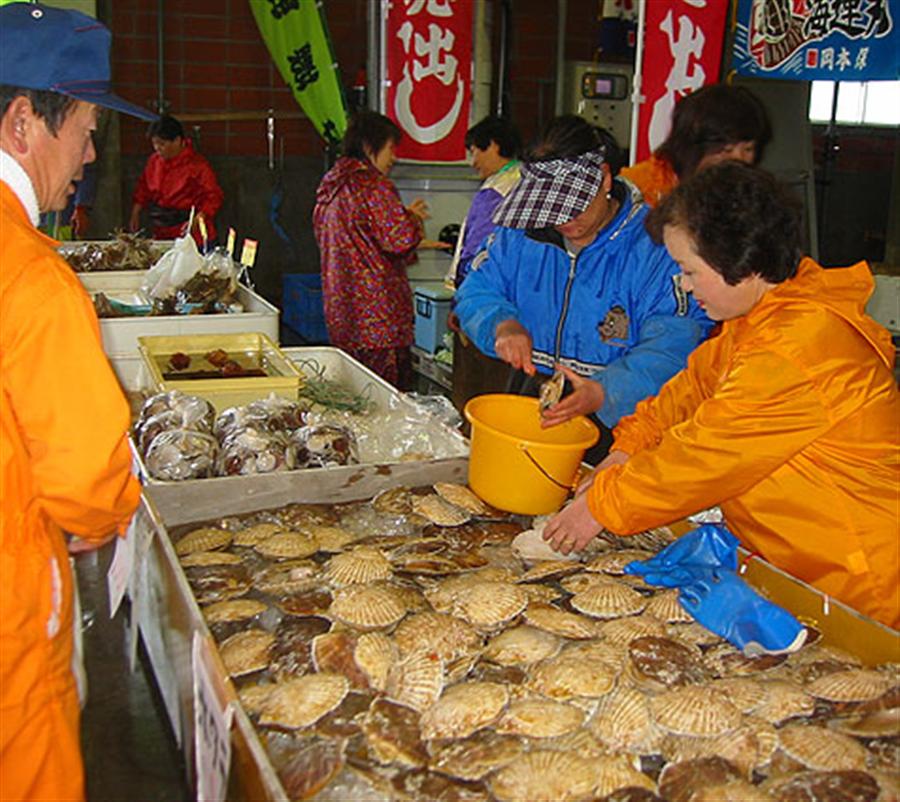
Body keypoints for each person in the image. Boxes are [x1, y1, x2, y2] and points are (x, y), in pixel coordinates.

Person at [543, 162, 899, 629]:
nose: (685, 286)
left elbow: (702, 458)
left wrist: (603, 505)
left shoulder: (796, 349)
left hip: (859, 585)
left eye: (690, 271)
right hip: (797, 569)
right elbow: (685, 394)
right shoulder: (761, 320)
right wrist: (626, 449)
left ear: (742, 261)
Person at [0, 3, 148, 798]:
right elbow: (88, 489)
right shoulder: (30, 276)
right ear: (25, 121)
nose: (91, 152)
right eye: (85, 127)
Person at [455, 115, 713, 458]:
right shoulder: (520, 234)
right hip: (534, 396)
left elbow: (674, 343)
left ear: (605, 178)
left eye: (574, 207)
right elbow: (477, 288)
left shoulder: (655, 245)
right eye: (552, 210)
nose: (563, 221)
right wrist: (501, 323)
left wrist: (606, 391)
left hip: (626, 415)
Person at [313, 110, 434, 389]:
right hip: (379, 320)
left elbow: (358, 236)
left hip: (342, 314)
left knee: (354, 393)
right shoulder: (372, 185)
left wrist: (401, 214)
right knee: (386, 397)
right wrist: (412, 219)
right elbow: (399, 239)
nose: (394, 158)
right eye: (391, 148)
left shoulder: (331, 184)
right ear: (370, 146)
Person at [446, 115, 522, 411]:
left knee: (475, 400)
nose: (471, 161)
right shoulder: (527, 182)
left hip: (488, 313)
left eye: (474, 150)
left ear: (492, 145)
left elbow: (475, 255)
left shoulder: (496, 190)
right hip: (518, 314)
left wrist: (461, 303)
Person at [620, 83, 771, 207]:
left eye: (748, 149)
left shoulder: (753, 197)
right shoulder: (635, 190)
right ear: (691, 146)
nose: (739, 161)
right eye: (726, 150)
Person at [129, 114, 223, 248]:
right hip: (162, 232)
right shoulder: (154, 161)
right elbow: (143, 187)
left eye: (162, 144)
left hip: (192, 235)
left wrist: (198, 219)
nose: (157, 148)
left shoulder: (198, 166)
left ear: (177, 141)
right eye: (154, 143)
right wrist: (136, 211)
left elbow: (213, 197)